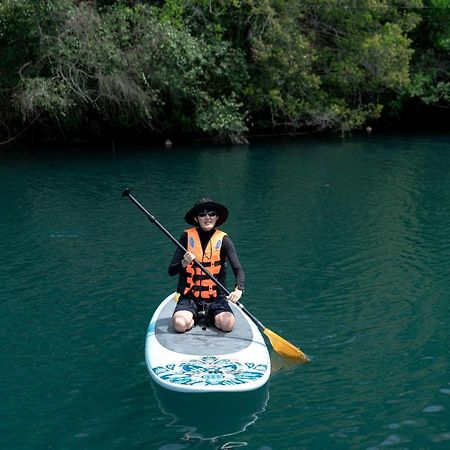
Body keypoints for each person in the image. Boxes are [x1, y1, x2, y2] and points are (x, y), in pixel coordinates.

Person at [168, 198, 245, 333]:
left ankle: (211, 315)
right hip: (190, 297)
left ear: (217, 217)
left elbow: (238, 269)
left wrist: (239, 289)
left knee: (228, 325)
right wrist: (184, 263)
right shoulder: (186, 237)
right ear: (197, 219)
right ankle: (194, 317)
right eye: (202, 214)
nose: (207, 217)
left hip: (216, 297)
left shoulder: (224, 241)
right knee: (179, 325)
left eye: (211, 213)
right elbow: (171, 270)